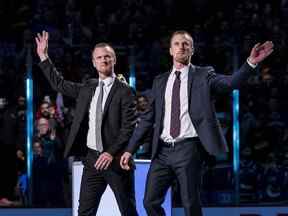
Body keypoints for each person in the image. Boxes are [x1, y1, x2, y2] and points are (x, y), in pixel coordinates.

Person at [120, 30, 274, 216]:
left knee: (190, 203)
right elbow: (147, 119)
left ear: (192, 50)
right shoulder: (160, 81)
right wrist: (130, 149)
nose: (181, 47)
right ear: (170, 50)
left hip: (188, 149)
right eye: (177, 43)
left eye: (186, 44)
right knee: (149, 202)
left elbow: (230, 83)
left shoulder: (204, 75)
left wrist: (251, 63)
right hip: (161, 152)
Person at [35, 31, 138, 216]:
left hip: (115, 161)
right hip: (92, 161)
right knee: (84, 212)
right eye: (99, 57)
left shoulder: (126, 91)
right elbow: (59, 84)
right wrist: (44, 56)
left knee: (128, 210)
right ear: (93, 62)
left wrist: (110, 152)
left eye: (107, 56)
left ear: (114, 60)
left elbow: (129, 127)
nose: (103, 60)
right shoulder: (87, 87)